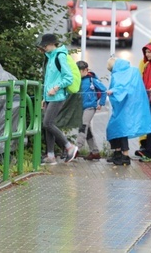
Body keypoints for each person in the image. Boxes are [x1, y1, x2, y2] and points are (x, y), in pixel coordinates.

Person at [36, 33, 78, 165]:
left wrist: (56, 88)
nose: (44, 48)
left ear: (51, 44)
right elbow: (48, 80)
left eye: (45, 45)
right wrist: (44, 97)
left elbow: (68, 78)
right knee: (48, 125)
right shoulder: (50, 57)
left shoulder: (60, 56)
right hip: (50, 97)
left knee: (47, 123)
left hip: (57, 96)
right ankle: (50, 155)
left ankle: (69, 146)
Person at [106, 57, 151, 166]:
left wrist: (113, 90)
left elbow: (123, 87)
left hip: (126, 106)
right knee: (115, 129)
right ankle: (118, 153)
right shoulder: (133, 71)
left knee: (121, 130)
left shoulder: (121, 74)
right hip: (127, 105)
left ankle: (124, 155)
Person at [75, 61, 107, 161]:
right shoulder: (77, 80)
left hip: (90, 107)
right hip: (81, 107)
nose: (77, 73)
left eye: (79, 71)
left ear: (85, 70)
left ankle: (76, 149)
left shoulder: (91, 80)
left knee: (83, 126)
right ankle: (95, 152)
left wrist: (101, 103)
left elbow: (103, 90)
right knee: (87, 130)